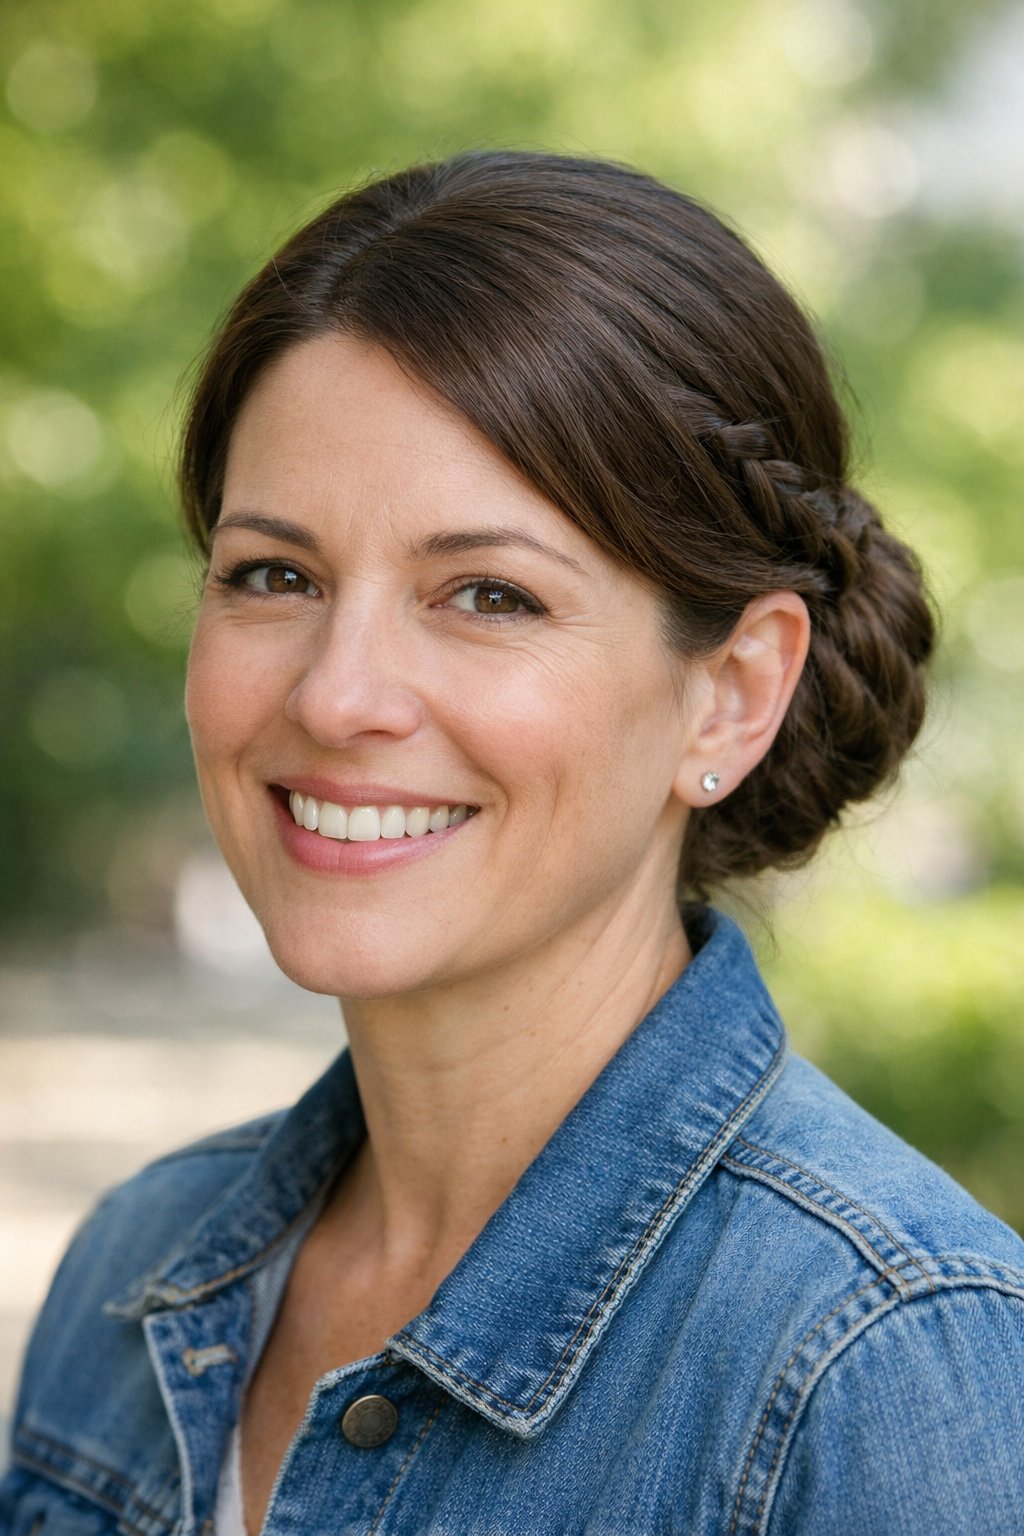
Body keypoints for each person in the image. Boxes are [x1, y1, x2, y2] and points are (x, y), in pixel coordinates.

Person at [2, 150, 1022, 1536]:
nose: (335, 694)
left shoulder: (883, 1364)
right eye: (274, 576)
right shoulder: (140, 1267)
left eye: (487, 594)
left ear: (730, 692)